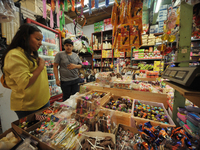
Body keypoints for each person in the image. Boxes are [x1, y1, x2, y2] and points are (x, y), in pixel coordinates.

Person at [0, 23, 50, 119]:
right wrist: (40, 67)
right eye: (37, 39)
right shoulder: (15, 55)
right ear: (25, 37)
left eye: (41, 40)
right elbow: (25, 82)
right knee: (31, 132)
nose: (40, 43)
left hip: (43, 102)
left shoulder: (31, 53)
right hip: (29, 107)